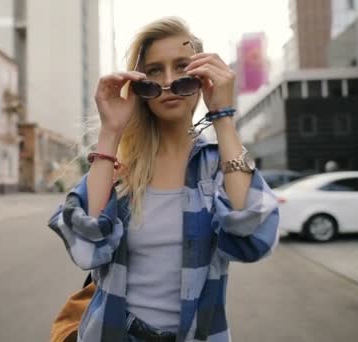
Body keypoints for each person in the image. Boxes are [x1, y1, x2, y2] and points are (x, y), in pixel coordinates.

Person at [48, 17, 279, 342]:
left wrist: (223, 116)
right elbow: (86, 249)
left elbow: (253, 238)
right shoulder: (120, 167)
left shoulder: (216, 165)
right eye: (154, 70)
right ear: (140, 83)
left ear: (201, 76)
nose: (169, 82)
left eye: (182, 66)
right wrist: (110, 131)